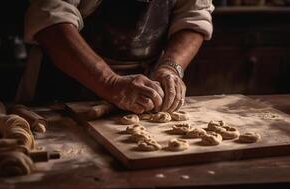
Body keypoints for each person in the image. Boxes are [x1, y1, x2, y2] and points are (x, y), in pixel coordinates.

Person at [17, 0, 214, 114]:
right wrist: (109, 82)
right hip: (66, 85)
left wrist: (171, 67)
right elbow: (51, 18)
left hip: (147, 90)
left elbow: (194, 16)